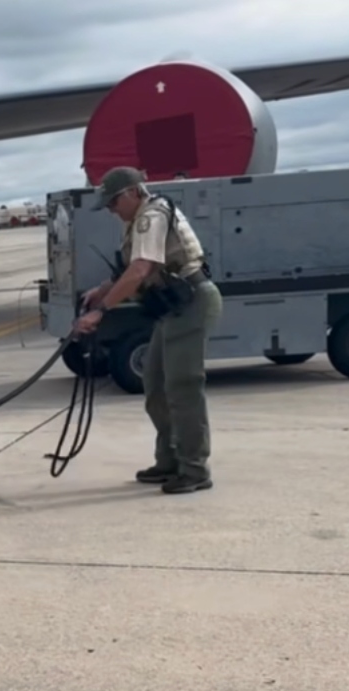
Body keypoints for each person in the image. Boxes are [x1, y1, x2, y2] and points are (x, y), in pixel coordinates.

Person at [74, 166, 223, 495]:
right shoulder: (139, 219)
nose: (112, 211)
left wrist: (101, 310)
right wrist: (101, 290)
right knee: (155, 384)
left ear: (131, 192)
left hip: (190, 302)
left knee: (183, 387)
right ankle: (170, 459)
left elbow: (141, 270)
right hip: (171, 308)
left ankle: (194, 468)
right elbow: (133, 267)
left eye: (113, 203)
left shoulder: (150, 216)